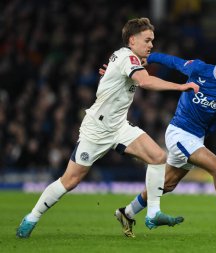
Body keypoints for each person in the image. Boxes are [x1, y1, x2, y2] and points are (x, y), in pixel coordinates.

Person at [16, 17, 199, 239]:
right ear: (132, 40)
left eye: (153, 40)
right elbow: (145, 81)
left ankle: (153, 213)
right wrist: (181, 86)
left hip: (119, 126)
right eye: (147, 40)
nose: (151, 45)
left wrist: (109, 72)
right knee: (70, 180)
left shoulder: (125, 58)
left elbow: (120, 76)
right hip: (97, 129)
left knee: (158, 156)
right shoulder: (128, 57)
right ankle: (32, 218)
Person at [112, 43, 216, 237]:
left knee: (167, 185)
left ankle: (127, 212)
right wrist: (149, 58)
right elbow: (173, 62)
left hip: (197, 138)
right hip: (179, 133)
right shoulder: (199, 69)